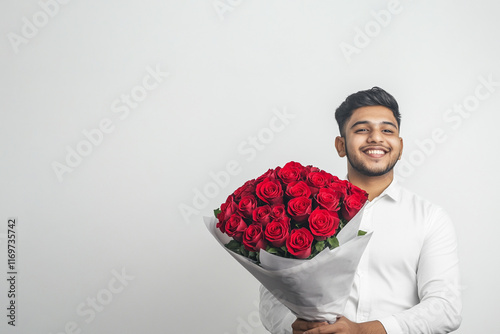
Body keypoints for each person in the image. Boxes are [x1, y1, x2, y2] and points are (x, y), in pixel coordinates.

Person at [259, 87, 462, 334]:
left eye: (387, 130)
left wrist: (364, 330)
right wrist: (292, 327)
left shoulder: (430, 218)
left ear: (399, 146)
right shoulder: (300, 211)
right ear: (341, 145)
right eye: (362, 129)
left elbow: (445, 307)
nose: (376, 138)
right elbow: (273, 299)